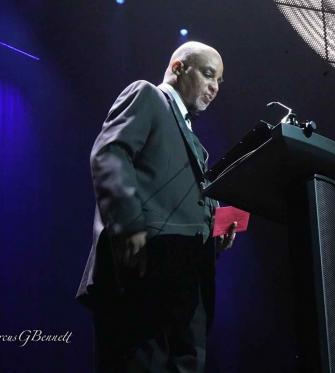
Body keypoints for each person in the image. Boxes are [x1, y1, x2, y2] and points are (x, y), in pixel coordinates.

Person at [76, 41, 237, 372]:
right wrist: (128, 224)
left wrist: (215, 236)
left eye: (219, 81)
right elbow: (110, 153)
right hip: (144, 274)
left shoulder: (197, 145)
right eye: (209, 75)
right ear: (178, 68)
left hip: (187, 286)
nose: (215, 87)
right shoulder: (148, 96)